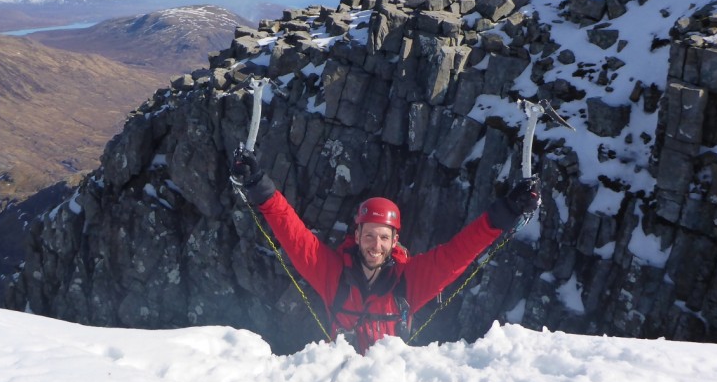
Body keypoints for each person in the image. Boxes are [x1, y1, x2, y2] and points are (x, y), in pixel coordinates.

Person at [230, 148, 540, 354]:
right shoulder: (332, 274)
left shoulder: (411, 280)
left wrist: (507, 211)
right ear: (357, 235)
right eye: (369, 236)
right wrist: (259, 186)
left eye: (383, 238)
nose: (375, 246)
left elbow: (459, 253)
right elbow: (293, 234)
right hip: (339, 378)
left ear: (394, 242)